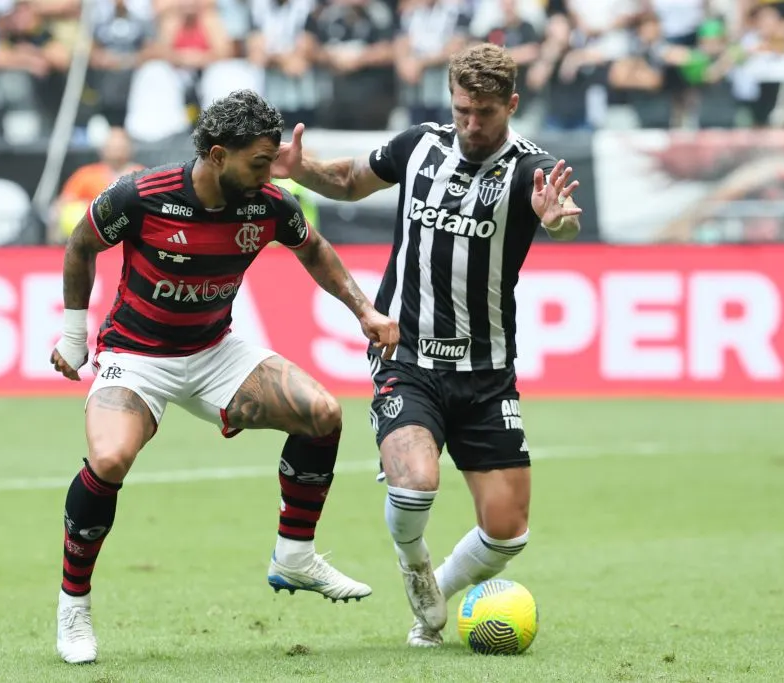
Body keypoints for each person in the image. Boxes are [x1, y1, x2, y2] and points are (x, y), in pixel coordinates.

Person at [49, 89, 399, 664]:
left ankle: (294, 555)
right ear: (217, 154)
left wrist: (364, 310)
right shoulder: (141, 195)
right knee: (109, 461)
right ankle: (74, 605)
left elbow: (315, 250)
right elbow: (81, 242)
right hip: (138, 357)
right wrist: (72, 335)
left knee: (323, 415)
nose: (269, 172)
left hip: (215, 351)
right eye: (259, 162)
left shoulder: (267, 203)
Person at [272, 43, 583, 647]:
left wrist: (557, 219)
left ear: (511, 105)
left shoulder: (530, 171)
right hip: (407, 356)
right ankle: (414, 565)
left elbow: (564, 218)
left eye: (485, 113)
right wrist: (301, 169)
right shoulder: (420, 146)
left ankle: (435, 589)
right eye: (463, 109)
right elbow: (350, 180)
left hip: (488, 371)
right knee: (415, 483)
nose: (471, 123)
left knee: (508, 532)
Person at [50, 127, 143, 244]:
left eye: (121, 147)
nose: (116, 151)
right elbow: (61, 206)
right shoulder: (86, 175)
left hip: (128, 244)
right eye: (112, 147)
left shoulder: (142, 176)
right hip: (90, 242)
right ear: (102, 149)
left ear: (130, 149)